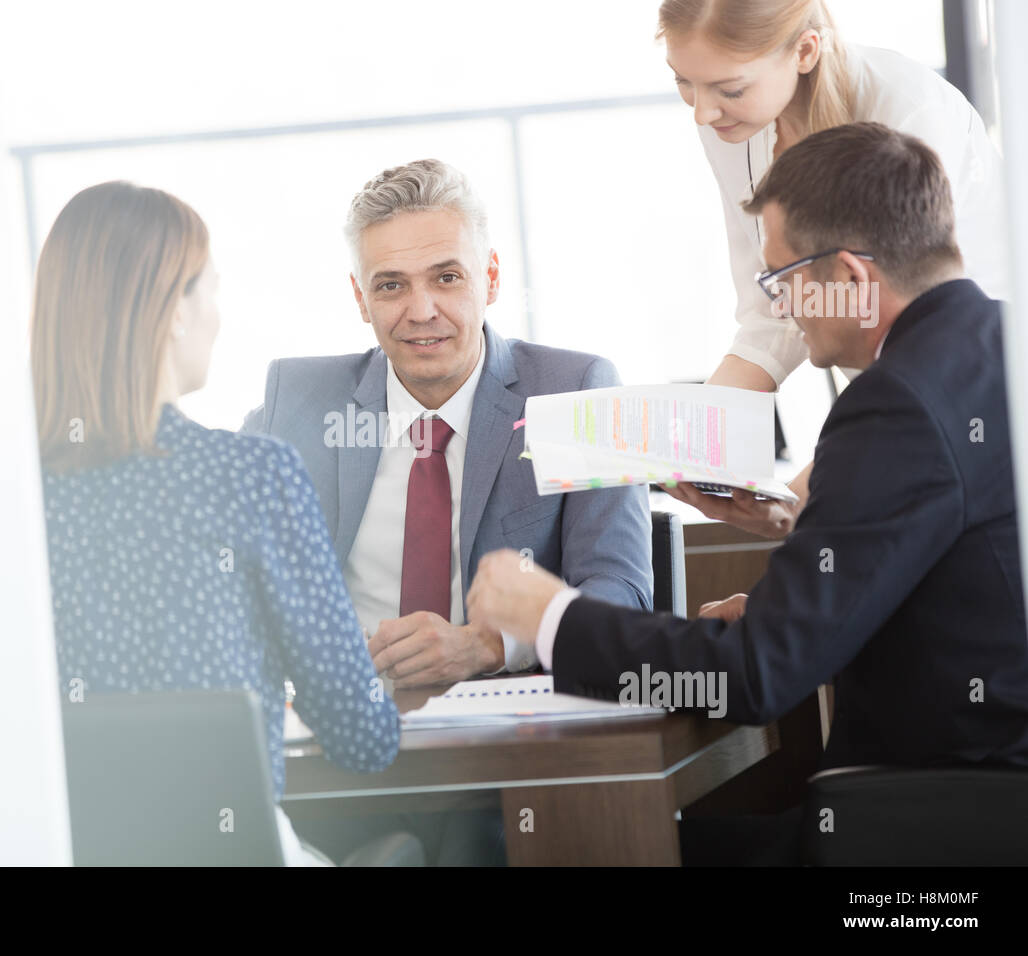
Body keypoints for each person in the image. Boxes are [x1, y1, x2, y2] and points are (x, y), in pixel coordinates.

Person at [466, 122, 1028, 865]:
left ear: (854, 280)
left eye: (782, 278)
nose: (781, 307)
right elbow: (964, 572)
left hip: (928, 829)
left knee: (589, 850)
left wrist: (551, 618)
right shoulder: (998, 348)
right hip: (982, 799)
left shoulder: (896, 403)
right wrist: (795, 563)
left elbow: (756, 674)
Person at [30, 181, 399, 866]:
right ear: (172, 309)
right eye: (211, 292)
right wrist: (388, 684)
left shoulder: (10, 500)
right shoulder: (251, 477)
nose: (218, 317)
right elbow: (361, 738)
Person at [243, 158, 652, 687]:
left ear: (492, 277)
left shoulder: (575, 391)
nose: (421, 310)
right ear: (360, 299)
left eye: (447, 277)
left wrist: (488, 645)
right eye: (390, 286)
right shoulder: (296, 402)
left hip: (515, 727)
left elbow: (619, 591)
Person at [657, 0, 1009, 538]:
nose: (702, 112)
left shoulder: (909, 112)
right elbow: (772, 307)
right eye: (684, 82)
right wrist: (688, 444)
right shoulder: (732, 120)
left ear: (804, 50)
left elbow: (926, 357)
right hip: (896, 404)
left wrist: (801, 497)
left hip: (978, 400)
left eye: (728, 89)